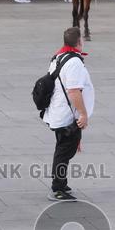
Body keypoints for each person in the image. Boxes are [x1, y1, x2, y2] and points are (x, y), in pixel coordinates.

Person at [43, 27, 93, 201]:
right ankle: (57, 188)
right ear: (79, 42)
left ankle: (61, 183)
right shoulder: (74, 62)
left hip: (58, 112)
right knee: (64, 151)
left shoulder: (59, 56)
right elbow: (73, 91)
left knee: (63, 149)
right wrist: (83, 114)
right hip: (66, 115)